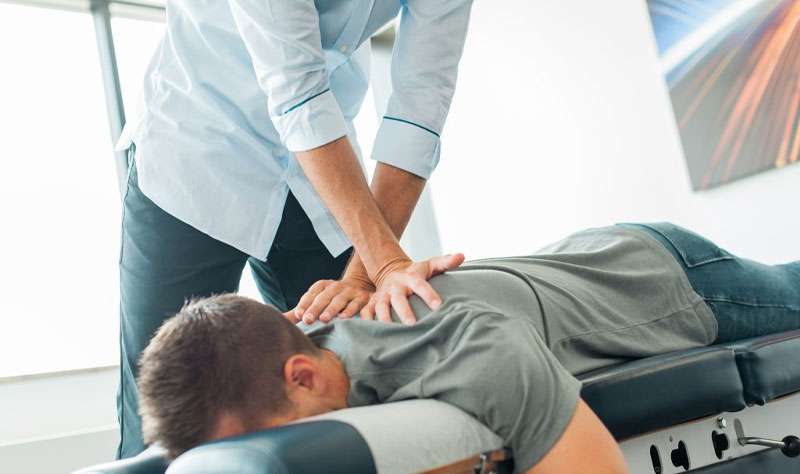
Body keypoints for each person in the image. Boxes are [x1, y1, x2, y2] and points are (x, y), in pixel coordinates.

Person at [136, 223, 800, 473]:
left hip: (668, 280)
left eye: (271, 436)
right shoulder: (280, 349)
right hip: (560, 269)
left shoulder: (464, 347)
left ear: (304, 376)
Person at [114, 0, 474, 458]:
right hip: (196, 153)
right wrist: (385, 261)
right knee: (169, 420)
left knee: (350, 373)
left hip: (319, 175)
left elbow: (420, 106)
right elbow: (296, 91)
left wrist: (367, 273)